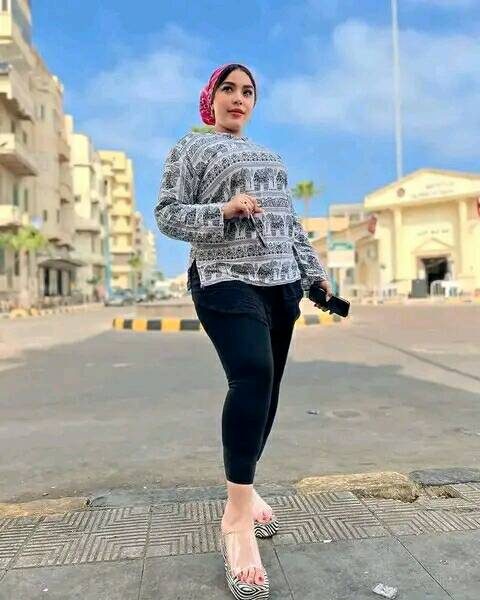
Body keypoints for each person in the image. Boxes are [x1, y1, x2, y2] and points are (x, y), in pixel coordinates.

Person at [154, 62, 332, 598]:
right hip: (222, 276)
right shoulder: (190, 148)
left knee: (268, 388)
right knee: (252, 373)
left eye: (248, 91)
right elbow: (166, 214)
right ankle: (236, 519)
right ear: (210, 98)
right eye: (228, 89)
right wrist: (224, 209)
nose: (238, 98)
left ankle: (245, 490)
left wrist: (314, 273)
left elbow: (289, 223)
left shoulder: (271, 158)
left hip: (281, 281)